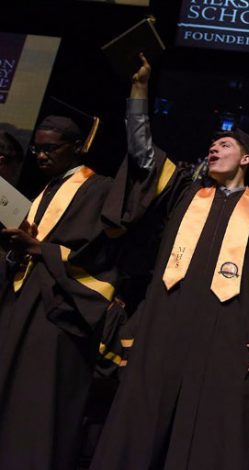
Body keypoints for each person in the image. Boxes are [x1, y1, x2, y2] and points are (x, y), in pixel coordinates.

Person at [90, 54, 249, 470]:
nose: (213, 147)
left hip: (227, 338)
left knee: (209, 439)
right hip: (167, 323)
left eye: (225, 144)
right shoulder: (186, 192)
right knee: (140, 427)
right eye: (212, 144)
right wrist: (139, 90)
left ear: (246, 159)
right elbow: (143, 155)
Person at [0, 111, 117, 470]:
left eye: (51, 148)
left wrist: (37, 247)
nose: (41, 156)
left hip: (58, 312)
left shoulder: (100, 188)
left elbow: (99, 255)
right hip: (24, 301)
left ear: (77, 148)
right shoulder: (45, 190)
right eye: (37, 149)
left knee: (37, 407)